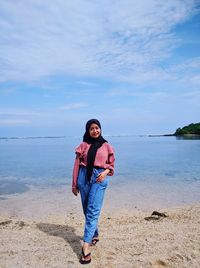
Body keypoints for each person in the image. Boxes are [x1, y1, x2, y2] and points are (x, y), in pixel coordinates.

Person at [72, 119, 115, 264]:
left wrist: (105, 172)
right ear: (87, 130)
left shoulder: (106, 145)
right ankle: (94, 234)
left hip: (99, 178)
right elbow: (77, 165)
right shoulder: (83, 145)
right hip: (83, 177)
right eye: (92, 129)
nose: (95, 131)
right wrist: (74, 184)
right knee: (86, 210)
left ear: (101, 129)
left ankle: (86, 246)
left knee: (92, 211)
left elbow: (112, 164)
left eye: (97, 128)